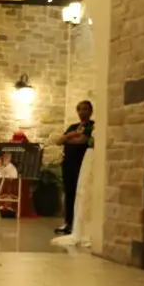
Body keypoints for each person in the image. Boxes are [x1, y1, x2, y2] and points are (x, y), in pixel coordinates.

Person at [54, 100, 95, 236]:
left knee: (80, 193)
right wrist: (71, 135)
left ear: (90, 111)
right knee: (69, 193)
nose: (83, 111)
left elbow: (82, 141)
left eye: (86, 109)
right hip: (68, 164)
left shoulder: (91, 126)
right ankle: (68, 222)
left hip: (81, 164)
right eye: (80, 109)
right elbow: (59, 141)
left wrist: (69, 138)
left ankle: (78, 224)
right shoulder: (73, 126)